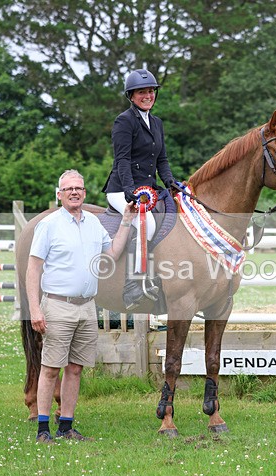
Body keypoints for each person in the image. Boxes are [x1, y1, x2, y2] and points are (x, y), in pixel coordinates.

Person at [27, 169, 136, 444]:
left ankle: (66, 425)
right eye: (68, 189)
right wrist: (34, 309)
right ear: (59, 194)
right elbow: (33, 268)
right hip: (58, 305)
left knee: (75, 368)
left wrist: (126, 221)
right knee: (51, 367)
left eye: (79, 188)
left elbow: (111, 252)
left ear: (85, 193)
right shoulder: (49, 225)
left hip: (87, 307)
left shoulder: (93, 223)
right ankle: (43, 429)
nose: (74, 192)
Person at [102, 68, 175, 309]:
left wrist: (171, 183)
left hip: (149, 190)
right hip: (122, 189)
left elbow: (161, 160)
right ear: (131, 96)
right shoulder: (124, 121)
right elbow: (121, 159)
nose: (148, 95)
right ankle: (132, 286)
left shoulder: (157, 123)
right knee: (147, 224)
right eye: (142, 92)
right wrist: (129, 190)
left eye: (151, 91)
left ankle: (158, 279)